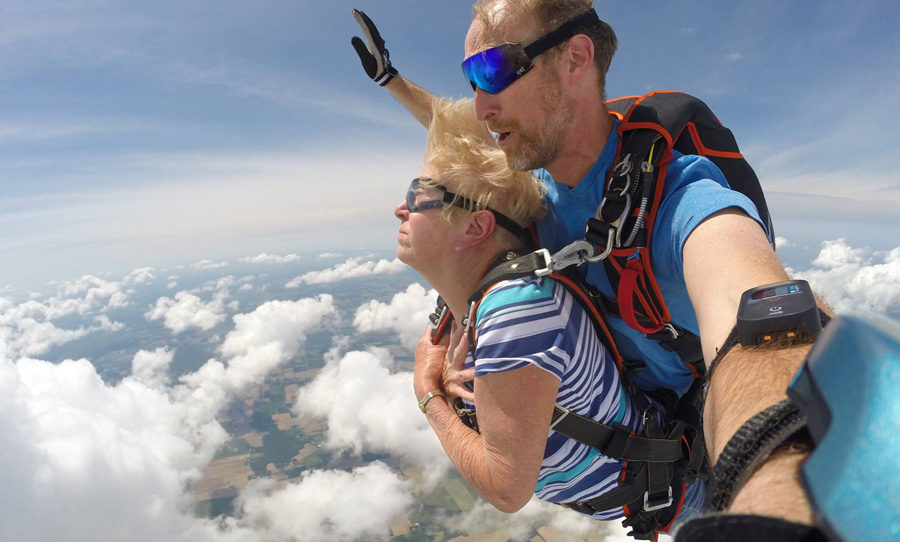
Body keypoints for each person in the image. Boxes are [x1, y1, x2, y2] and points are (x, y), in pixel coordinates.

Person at [352, 2, 830, 539]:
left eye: (493, 72)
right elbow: (462, 137)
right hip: (635, 436)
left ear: (575, 58)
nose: (483, 107)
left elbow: (761, 325)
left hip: (692, 459)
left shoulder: (680, 200)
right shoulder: (534, 182)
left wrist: (781, 494)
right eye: (471, 80)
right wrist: (391, 80)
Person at [397, 97, 705, 529]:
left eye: (418, 194)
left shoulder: (515, 313)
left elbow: (506, 487)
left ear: (475, 227)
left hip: (689, 499)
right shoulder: (484, 292)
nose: (401, 208)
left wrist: (428, 398)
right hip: (654, 486)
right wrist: (391, 81)